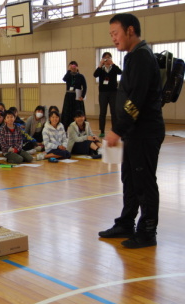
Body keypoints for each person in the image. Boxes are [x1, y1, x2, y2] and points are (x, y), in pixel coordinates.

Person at [98, 13, 165, 249]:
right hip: (133, 132)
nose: (113, 38)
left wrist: (117, 130)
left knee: (144, 182)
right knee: (130, 178)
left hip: (144, 132)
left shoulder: (141, 58)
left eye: (115, 33)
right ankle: (126, 222)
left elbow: (135, 100)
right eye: (111, 35)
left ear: (130, 30)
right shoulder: (132, 57)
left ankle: (147, 231)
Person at [94, 52, 123, 137]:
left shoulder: (114, 68)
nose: (107, 60)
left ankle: (115, 130)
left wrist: (113, 63)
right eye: (105, 58)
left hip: (113, 92)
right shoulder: (101, 69)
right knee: (102, 112)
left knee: (114, 112)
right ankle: (102, 130)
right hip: (103, 93)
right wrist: (100, 64)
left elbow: (120, 72)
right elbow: (95, 75)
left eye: (108, 58)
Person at [61, 61, 87, 131]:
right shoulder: (68, 75)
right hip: (68, 96)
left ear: (77, 67)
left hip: (77, 96)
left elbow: (84, 87)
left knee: (77, 111)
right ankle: (66, 128)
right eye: (71, 65)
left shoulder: (80, 76)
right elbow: (64, 79)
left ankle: (80, 127)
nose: (73, 67)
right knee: (67, 112)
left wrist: (83, 96)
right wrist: (68, 70)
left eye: (74, 65)